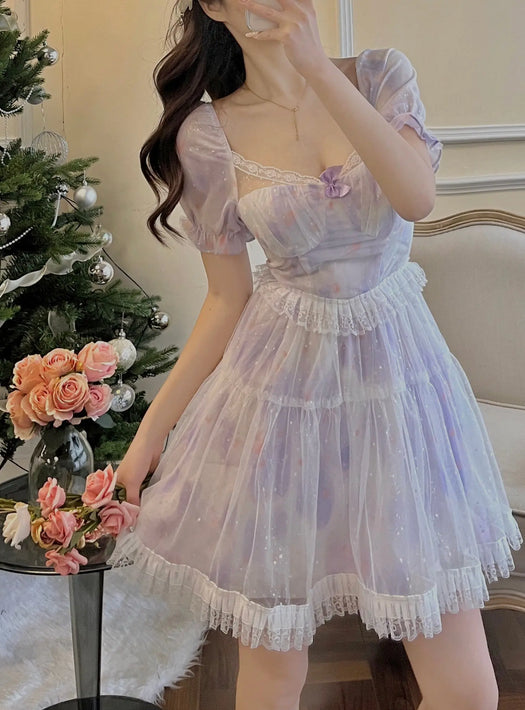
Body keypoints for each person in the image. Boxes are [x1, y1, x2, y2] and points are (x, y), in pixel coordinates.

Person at [108, 2, 523, 709]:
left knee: (466, 689)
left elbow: (416, 196)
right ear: (215, 5)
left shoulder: (380, 76)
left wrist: (315, 70)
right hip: (281, 398)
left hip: (401, 390)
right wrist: (149, 438)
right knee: (274, 666)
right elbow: (225, 298)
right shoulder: (206, 135)